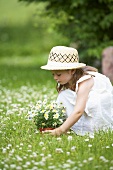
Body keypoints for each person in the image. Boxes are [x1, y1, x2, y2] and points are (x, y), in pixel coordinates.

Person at [41, 46, 113, 136]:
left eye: (58, 74)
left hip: (99, 108)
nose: (55, 78)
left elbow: (79, 111)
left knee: (93, 101)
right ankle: (68, 125)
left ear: (72, 71)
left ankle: (93, 128)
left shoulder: (85, 81)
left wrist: (60, 130)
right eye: (53, 74)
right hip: (84, 102)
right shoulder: (68, 80)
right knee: (64, 95)